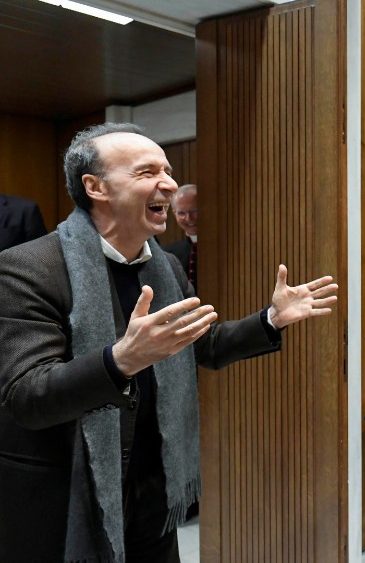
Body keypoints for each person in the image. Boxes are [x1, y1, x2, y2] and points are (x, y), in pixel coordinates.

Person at [0, 123, 338, 562]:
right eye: (146, 172)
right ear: (95, 187)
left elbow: (201, 345)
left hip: (152, 488)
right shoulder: (26, 268)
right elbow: (28, 396)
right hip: (69, 492)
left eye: (168, 170)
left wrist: (271, 320)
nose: (170, 184)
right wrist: (121, 360)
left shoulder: (162, 267)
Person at [163, 184, 198, 291]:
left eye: (194, 211)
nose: (188, 218)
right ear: (174, 214)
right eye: (181, 213)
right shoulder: (168, 253)